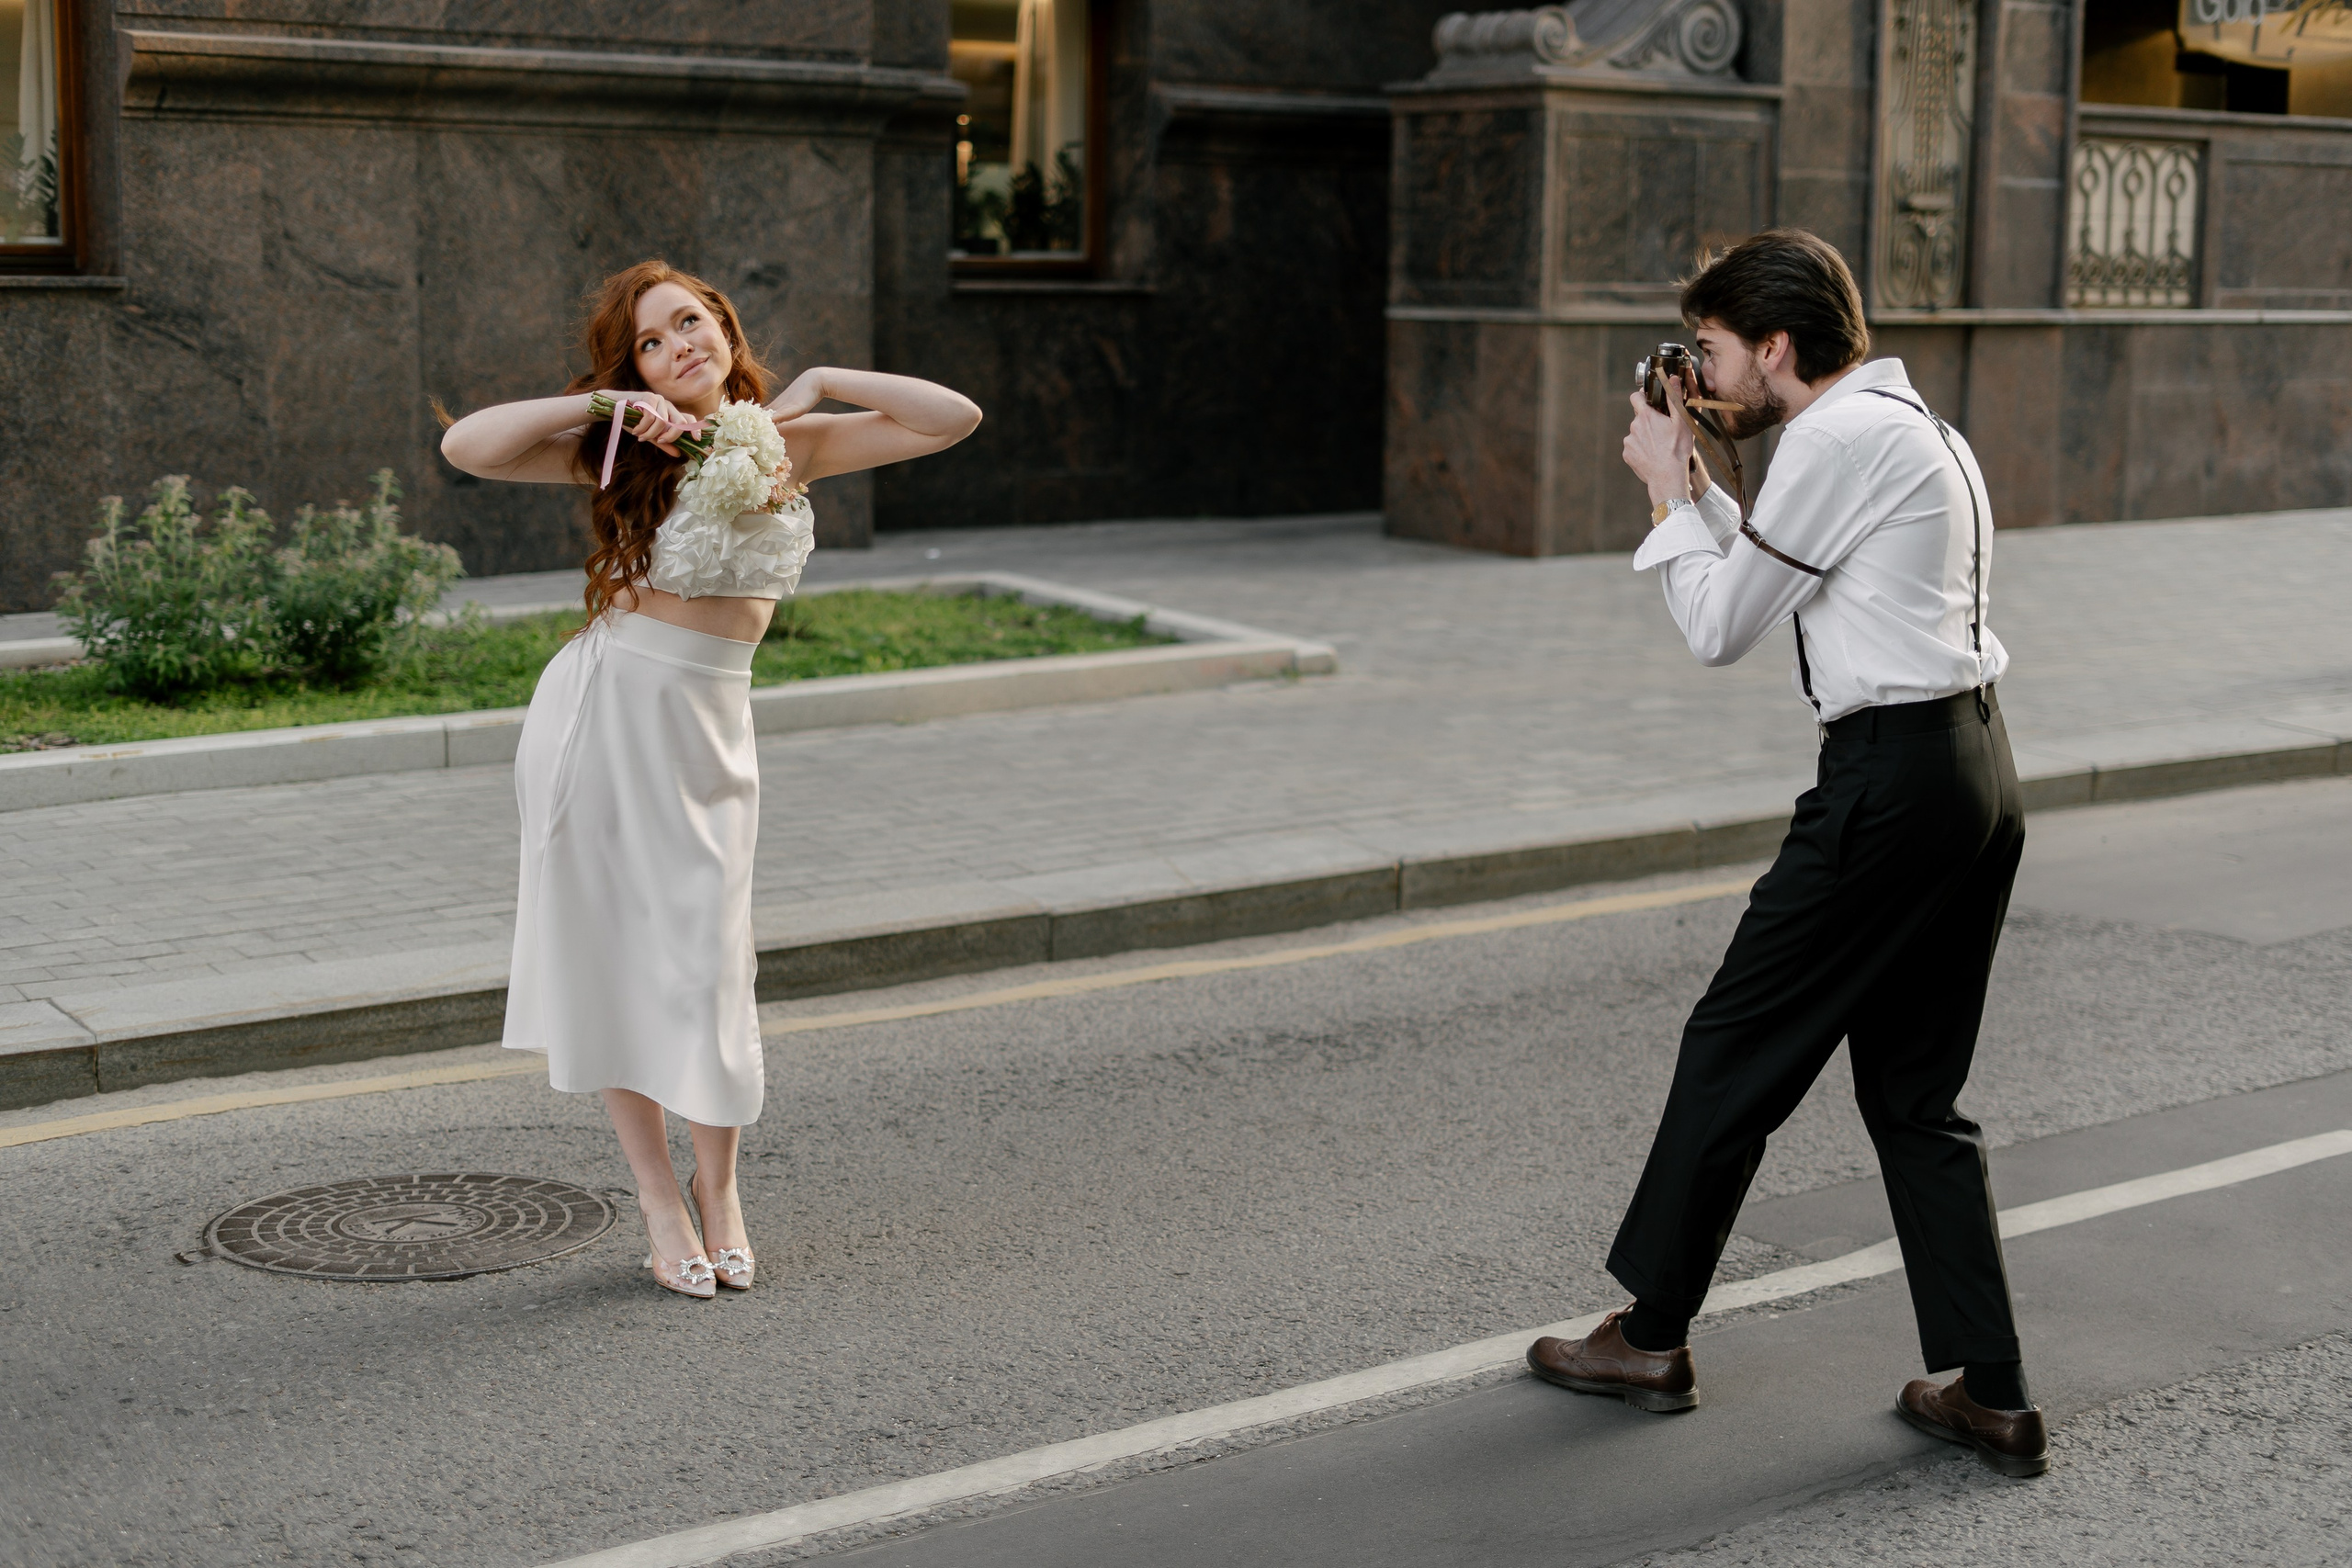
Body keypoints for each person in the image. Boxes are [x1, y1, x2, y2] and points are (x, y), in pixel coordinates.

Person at [1523, 230, 2048, 1477]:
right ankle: (1991, 1386)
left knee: (1733, 1045)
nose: (1700, 379)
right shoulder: (1913, 427)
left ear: (1776, 345)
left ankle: (1649, 1337)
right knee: (1915, 1092)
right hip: (1976, 769)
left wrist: (1663, 481)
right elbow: (1777, 566)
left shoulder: (1831, 440)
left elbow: (1718, 622)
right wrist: (1699, 478)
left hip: (1891, 784)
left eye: (1709, 352)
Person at [440, 261, 981, 1299]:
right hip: (601, 716)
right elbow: (466, 446)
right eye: (650, 341)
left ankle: (720, 1188)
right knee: (611, 958)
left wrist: (819, 377)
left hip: (709, 724)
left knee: (708, 963)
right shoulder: (614, 455)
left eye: (690, 322)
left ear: (723, 326)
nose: (678, 345)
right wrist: (605, 404)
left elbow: (951, 417)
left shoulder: (794, 441)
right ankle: (656, 1197)